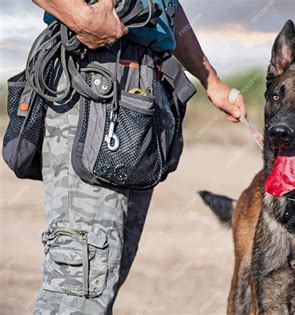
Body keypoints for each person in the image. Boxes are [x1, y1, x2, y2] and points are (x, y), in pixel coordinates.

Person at [30, 0, 247, 313]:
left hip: (142, 87)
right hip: (92, 76)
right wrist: (79, 14)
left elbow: (167, 6)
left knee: (108, 270)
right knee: (81, 279)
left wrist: (210, 80)